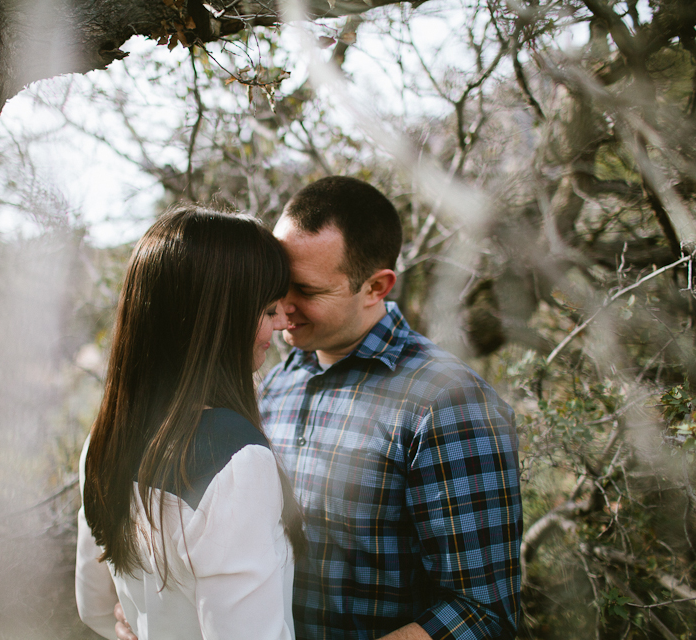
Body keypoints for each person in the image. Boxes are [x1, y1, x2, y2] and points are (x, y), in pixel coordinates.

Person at [112, 178, 522, 640]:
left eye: (305, 290)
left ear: (376, 286)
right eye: (276, 286)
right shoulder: (273, 380)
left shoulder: (447, 403)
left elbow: (482, 610)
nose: (282, 309)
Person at [75, 205, 306, 640]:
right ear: (222, 320)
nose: (278, 324)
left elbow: (95, 610)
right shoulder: (236, 463)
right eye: (268, 307)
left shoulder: (103, 440)